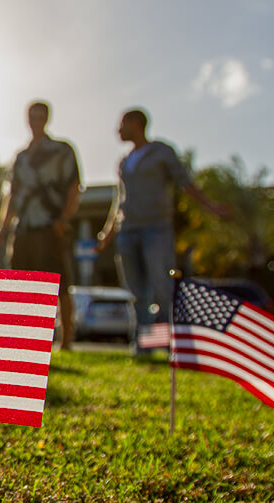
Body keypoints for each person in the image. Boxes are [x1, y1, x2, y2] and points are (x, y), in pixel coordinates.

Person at [95, 108, 227, 349]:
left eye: (122, 124)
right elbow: (119, 201)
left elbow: (184, 182)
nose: (118, 130)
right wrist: (107, 235)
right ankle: (143, 343)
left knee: (162, 287)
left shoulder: (162, 152)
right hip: (128, 231)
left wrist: (211, 207)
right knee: (136, 291)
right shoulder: (124, 162)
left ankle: (169, 344)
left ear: (136, 124)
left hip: (155, 229)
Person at [0, 101, 82, 350]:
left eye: (40, 116)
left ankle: (66, 341)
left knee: (60, 282)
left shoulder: (61, 150)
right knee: (21, 282)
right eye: (32, 116)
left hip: (50, 224)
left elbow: (74, 187)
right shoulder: (22, 157)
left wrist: (64, 219)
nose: (36, 120)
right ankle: (26, 340)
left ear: (47, 119)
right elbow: (13, 194)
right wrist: (3, 225)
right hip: (24, 227)